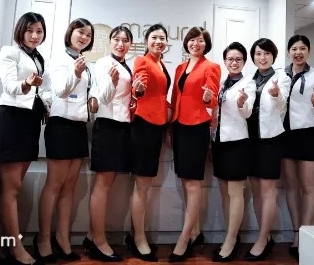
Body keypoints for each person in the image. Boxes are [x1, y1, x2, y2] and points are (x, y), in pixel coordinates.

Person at [35, 18, 95, 263]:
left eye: (88, 35)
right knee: (54, 184)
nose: (84, 37)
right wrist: (75, 73)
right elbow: (60, 90)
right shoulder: (60, 59)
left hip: (79, 126)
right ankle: (43, 240)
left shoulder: (83, 62)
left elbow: (85, 94)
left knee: (70, 187)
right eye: (81, 32)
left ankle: (63, 239)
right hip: (60, 125)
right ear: (70, 32)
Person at [0, 12, 49, 265]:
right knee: (11, 188)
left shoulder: (38, 57)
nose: (35, 35)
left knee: (13, 187)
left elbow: (40, 90)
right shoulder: (9, 52)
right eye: (30, 30)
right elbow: (9, 86)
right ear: (20, 31)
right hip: (12, 119)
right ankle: (17, 250)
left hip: (30, 120)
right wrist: (26, 83)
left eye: (39, 31)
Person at [86, 25, 143, 262]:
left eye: (125, 40)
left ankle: (91, 236)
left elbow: (125, 98)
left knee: (107, 185)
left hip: (122, 126)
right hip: (108, 126)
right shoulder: (103, 63)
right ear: (110, 41)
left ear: (130, 44)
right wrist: (112, 81)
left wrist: (136, 94)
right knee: (103, 184)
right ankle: (99, 242)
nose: (121, 44)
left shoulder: (127, 65)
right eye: (117, 39)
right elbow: (103, 97)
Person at [169, 26, 221, 262]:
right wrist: (170, 128)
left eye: (200, 40)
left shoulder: (211, 67)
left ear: (206, 44)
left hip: (197, 127)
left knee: (192, 183)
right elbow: (174, 97)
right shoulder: (180, 68)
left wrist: (209, 97)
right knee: (184, 180)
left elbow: (212, 96)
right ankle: (196, 232)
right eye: (192, 39)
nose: (195, 43)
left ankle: (184, 238)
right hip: (179, 126)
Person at [127, 24, 171, 262]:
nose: (158, 41)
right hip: (144, 126)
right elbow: (140, 84)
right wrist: (139, 90)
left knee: (145, 185)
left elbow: (162, 96)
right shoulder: (143, 61)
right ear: (146, 41)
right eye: (154, 37)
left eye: (162, 38)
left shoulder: (161, 63)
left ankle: (135, 233)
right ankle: (139, 238)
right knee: (142, 186)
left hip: (157, 126)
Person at [244, 38, 290, 261]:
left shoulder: (282, 78)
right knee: (255, 191)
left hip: (270, 139)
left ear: (274, 55)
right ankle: (267, 236)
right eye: (258, 53)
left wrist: (276, 94)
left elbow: (282, 105)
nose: (262, 58)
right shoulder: (249, 79)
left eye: (266, 53)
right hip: (250, 139)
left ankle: (262, 240)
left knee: (268, 191)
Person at [211, 42, 256, 262]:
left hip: (238, 142)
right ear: (225, 61)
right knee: (224, 192)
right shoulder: (221, 83)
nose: (234, 62)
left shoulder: (249, 83)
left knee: (235, 192)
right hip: (219, 141)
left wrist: (241, 103)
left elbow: (247, 113)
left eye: (238, 59)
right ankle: (231, 236)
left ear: (244, 62)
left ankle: (230, 241)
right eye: (230, 59)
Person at [281, 35, 314, 258]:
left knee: (308, 187)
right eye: (294, 49)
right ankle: (297, 233)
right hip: (285, 134)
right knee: (290, 186)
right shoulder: (281, 75)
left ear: (308, 51)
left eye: (302, 48)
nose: (298, 52)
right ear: (288, 51)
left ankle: (308, 235)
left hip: (307, 134)